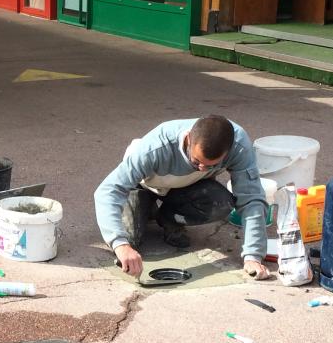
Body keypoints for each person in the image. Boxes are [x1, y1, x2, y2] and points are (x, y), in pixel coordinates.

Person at [94, 115, 271, 281]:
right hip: (142, 184)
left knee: (220, 203)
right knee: (130, 240)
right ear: (187, 139)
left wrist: (253, 256)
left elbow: (252, 198)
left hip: (185, 187)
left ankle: (168, 217)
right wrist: (121, 245)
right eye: (196, 161)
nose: (202, 168)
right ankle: (144, 204)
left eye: (212, 165)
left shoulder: (239, 146)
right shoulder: (155, 148)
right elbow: (108, 191)